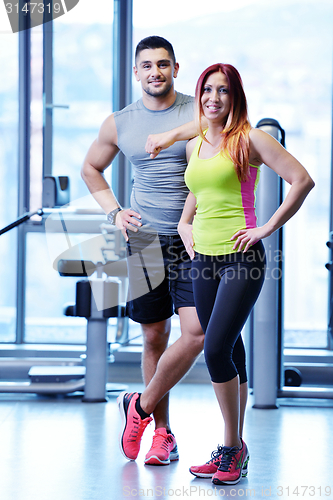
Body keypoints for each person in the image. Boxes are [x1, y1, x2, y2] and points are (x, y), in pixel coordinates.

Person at [146, 63, 314, 484]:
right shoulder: (197, 142)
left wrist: (266, 227)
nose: (213, 98)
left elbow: (301, 180)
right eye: (207, 90)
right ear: (199, 94)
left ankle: (234, 450)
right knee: (231, 348)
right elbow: (199, 191)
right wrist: (185, 224)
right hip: (202, 258)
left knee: (215, 349)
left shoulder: (251, 139)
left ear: (234, 96)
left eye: (222, 91)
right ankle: (231, 449)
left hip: (242, 258)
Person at [81, 36, 205, 466]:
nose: (156, 72)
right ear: (136, 72)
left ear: (176, 68)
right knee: (153, 335)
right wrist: (115, 211)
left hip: (196, 240)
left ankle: (140, 405)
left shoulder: (198, 110)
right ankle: (162, 434)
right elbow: (90, 168)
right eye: (147, 65)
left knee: (197, 332)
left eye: (163, 64)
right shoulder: (120, 122)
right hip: (146, 240)